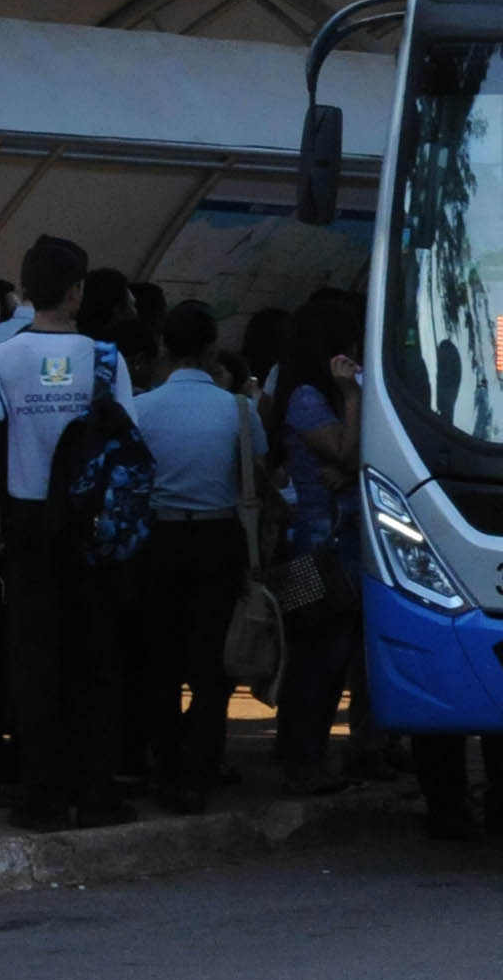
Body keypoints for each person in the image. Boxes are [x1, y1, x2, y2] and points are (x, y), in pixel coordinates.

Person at [0, 236, 134, 832]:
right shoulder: (107, 359)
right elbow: (128, 444)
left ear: (24, 290)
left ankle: (41, 796)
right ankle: (96, 794)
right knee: (95, 660)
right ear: (77, 291)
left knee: (34, 660)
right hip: (91, 524)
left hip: (29, 519)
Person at [124, 303, 256, 812]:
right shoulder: (237, 411)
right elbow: (256, 476)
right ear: (211, 347)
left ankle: (165, 766)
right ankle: (199, 772)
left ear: (163, 349)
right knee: (211, 666)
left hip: (156, 541)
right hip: (218, 540)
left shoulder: (141, 409)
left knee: (159, 659)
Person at [265, 291, 366, 798]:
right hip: (315, 542)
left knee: (329, 652)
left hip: (330, 538)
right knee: (317, 654)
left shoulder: (305, 394)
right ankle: (301, 758)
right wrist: (351, 397)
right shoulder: (309, 398)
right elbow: (349, 455)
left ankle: (308, 754)